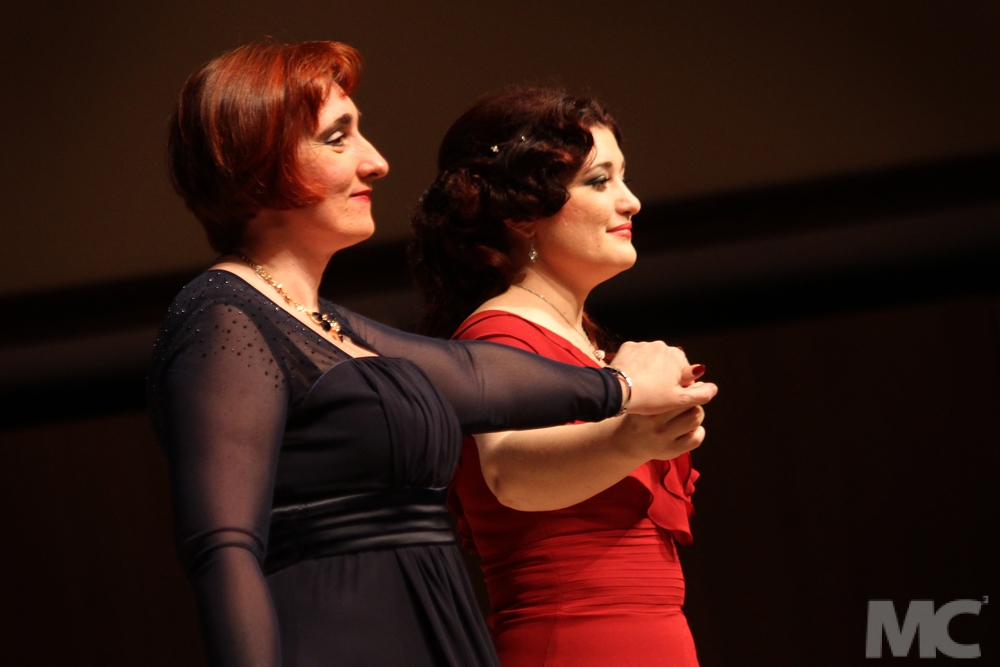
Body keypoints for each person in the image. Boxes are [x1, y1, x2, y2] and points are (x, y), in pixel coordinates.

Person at [148, 42, 717, 667]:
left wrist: (624, 389)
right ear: (260, 162)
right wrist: (624, 398)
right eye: (338, 138)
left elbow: (474, 377)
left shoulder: (328, 322)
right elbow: (224, 549)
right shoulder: (224, 315)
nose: (377, 162)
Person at [410, 88, 707, 666]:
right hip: (579, 642)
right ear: (522, 213)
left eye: (623, 178)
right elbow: (510, 473)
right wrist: (633, 436)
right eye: (599, 181)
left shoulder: (577, 340)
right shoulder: (499, 333)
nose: (631, 201)